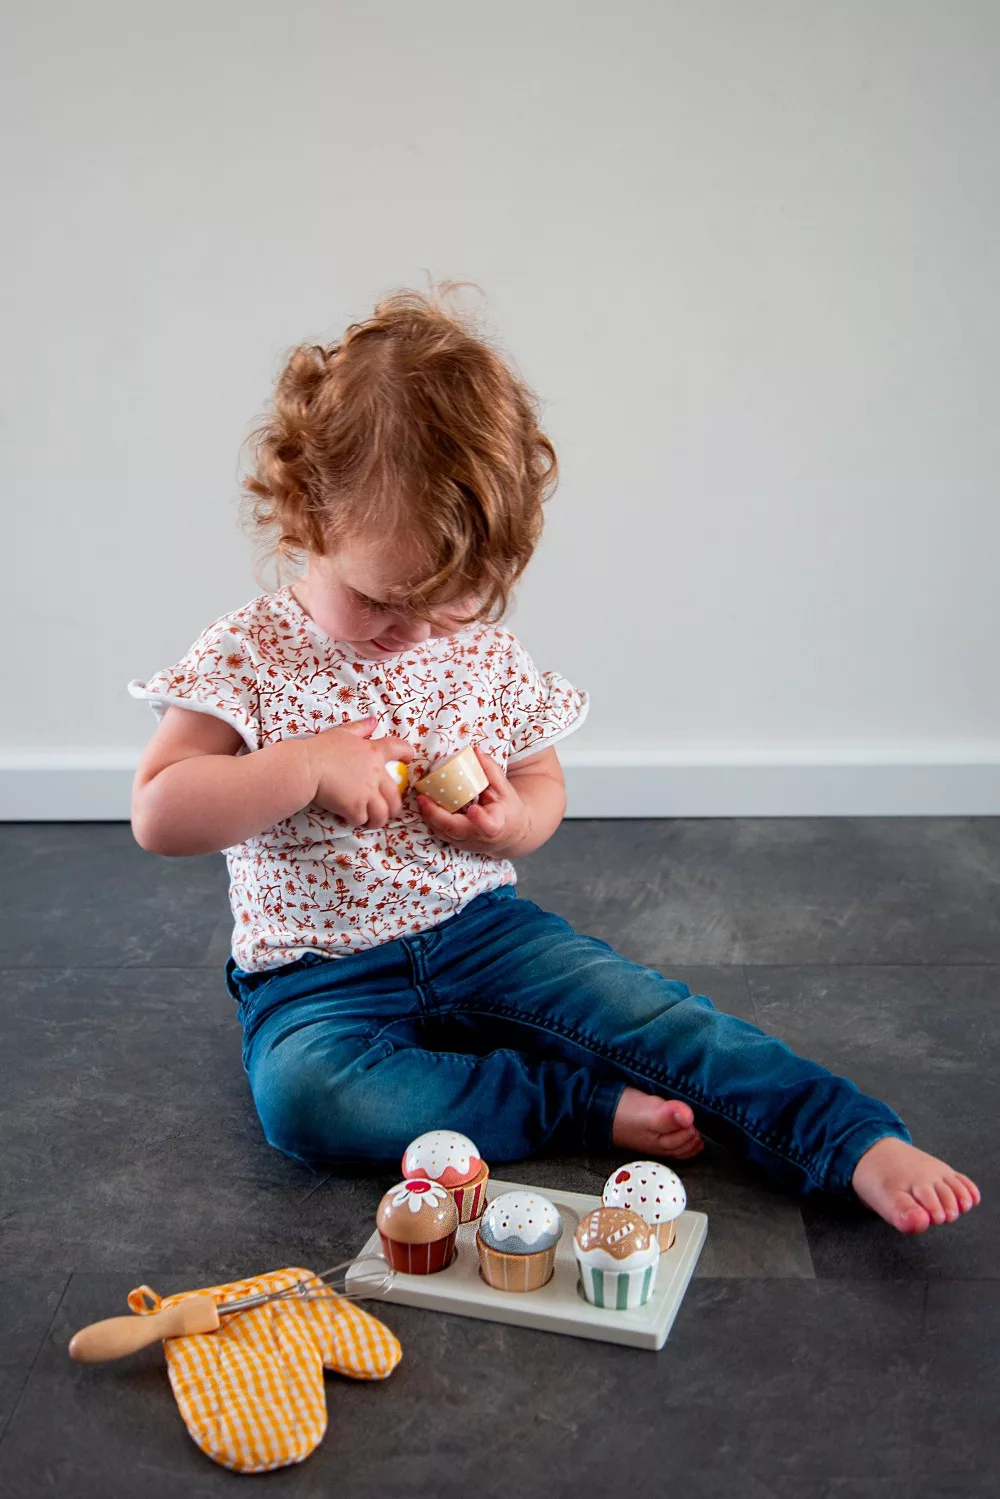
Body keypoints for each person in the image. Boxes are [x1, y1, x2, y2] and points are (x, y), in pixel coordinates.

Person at [129, 288, 979, 1235]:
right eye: (379, 601)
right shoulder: (249, 653)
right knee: (306, 1102)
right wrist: (301, 768)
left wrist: (511, 821)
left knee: (654, 1016)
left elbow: (542, 782)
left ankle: (845, 1135)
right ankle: (575, 1104)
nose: (412, 634)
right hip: (315, 977)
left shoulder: (485, 654)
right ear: (308, 516)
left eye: (448, 606)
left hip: (483, 931)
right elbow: (159, 809)